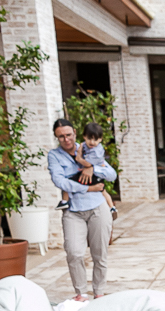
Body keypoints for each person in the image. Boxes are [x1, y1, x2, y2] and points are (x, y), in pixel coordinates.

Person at [48, 118, 117, 301]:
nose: (66, 139)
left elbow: (111, 175)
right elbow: (59, 181)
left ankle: (99, 292)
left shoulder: (90, 148)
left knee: (100, 253)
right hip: (73, 211)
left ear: (75, 133)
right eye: (61, 137)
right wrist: (88, 188)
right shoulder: (54, 156)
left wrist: (92, 168)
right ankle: (81, 293)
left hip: (97, 207)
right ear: (56, 137)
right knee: (74, 252)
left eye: (69, 135)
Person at [58, 122, 117, 224]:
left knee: (68, 182)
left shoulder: (97, 151)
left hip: (94, 175)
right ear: (84, 136)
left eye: (95, 139)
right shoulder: (86, 146)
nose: (92, 142)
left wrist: (79, 158)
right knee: (103, 190)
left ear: (101, 139)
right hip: (92, 175)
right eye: (89, 138)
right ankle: (111, 207)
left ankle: (64, 201)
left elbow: (88, 164)